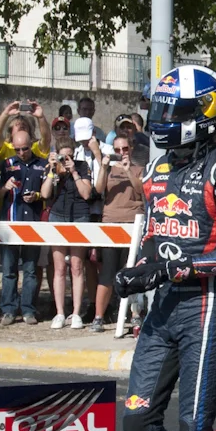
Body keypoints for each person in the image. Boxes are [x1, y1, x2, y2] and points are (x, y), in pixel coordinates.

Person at [115, 67, 216, 431]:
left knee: (194, 429)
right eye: (160, 109)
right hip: (163, 309)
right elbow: (152, 236)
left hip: (206, 308)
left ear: (206, 113)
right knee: (138, 423)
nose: (163, 119)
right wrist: (141, 267)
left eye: (173, 111)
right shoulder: (158, 168)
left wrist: (169, 270)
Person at [0, 109, 48, 323]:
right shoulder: (5, 166)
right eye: (17, 149)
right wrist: (4, 188)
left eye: (25, 148)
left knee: (31, 270)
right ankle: (8, 309)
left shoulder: (41, 164)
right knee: (8, 270)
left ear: (31, 143)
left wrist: (36, 196)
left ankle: (28, 309)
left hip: (33, 223)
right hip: (9, 223)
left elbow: (47, 194)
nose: (22, 152)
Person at [93, 133, 147, 334]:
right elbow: (98, 189)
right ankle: (99, 316)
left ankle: (134, 315)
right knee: (107, 272)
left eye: (124, 149)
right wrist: (104, 167)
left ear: (131, 149)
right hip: (111, 223)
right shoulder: (108, 168)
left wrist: (128, 170)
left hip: (133, 223)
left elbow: (141, 190)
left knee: (131, 271)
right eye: (117, 150)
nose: (121, 153)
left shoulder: (140, 168)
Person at [42, 141, 96, 327]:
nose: (66, 160)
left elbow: (87, 194)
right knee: (58, 268)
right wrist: (52, 170)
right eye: (63, 156)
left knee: (77, 266)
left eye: (70, 156)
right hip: (58, 215)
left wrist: (74, 171)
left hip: (79, 216)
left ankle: (76, 313)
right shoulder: (52, 168)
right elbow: (44, 193)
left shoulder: (82, 166)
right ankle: (59, 312)